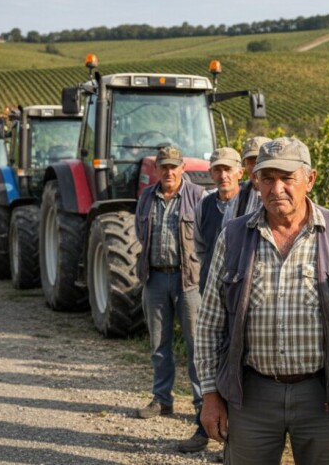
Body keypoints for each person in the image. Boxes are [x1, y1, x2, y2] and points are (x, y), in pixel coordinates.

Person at [195, 137, 329, 465]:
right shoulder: (234, 235)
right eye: (267, 178)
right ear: (255, 181)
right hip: (251, 396)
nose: (276, 188)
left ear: (309, 179)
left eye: (287, 178)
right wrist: (211, 393)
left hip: (325, 397)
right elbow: (210, 323)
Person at [134, 146, 208, 453]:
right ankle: (162, 399)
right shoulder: (147, 197)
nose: (168, 172)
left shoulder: (197, 197)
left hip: (187, 280)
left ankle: (203, 405)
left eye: (173, 167)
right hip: (155, 277)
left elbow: (205, 235)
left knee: (195, 346)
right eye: (163, 167)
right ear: (156, 169)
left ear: (182, 168)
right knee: (158, 344)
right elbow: (141, 233)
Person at [194, 147, 245, 294]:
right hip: (210, 286)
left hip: (242, 288)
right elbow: (200, 247)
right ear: (211, 173)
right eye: (217, 170)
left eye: (227, 169)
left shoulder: (251, 204)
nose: (223, 176)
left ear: (240, 173)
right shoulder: (203, 205)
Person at [231, 136, 272, 217]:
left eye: (260, 161)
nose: (255, 167)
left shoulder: (282, 194)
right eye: (251, 162)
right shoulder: (239, 194)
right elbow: (228, 227)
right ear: (245, 165)